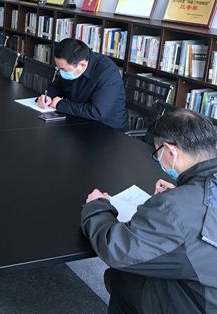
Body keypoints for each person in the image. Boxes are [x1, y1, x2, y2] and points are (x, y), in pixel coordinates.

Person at [81, 109, 217, 313]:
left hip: (198, 304)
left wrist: (97, 206)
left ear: (170, 151)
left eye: (157, 153)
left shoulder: (175, 207)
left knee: (123, 278)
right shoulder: (191, 196)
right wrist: (181, 193)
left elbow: (116, 249)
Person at [36, 38, 128, 130]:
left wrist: (60, 104)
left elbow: (96, 112)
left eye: (63, 69)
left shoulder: (107, 72)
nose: (60, 72)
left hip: (107, 129)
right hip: (79, 121)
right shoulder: (72, 66)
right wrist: (48, 97)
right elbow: (58, 85)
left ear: (82, 65)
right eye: (58, 68)